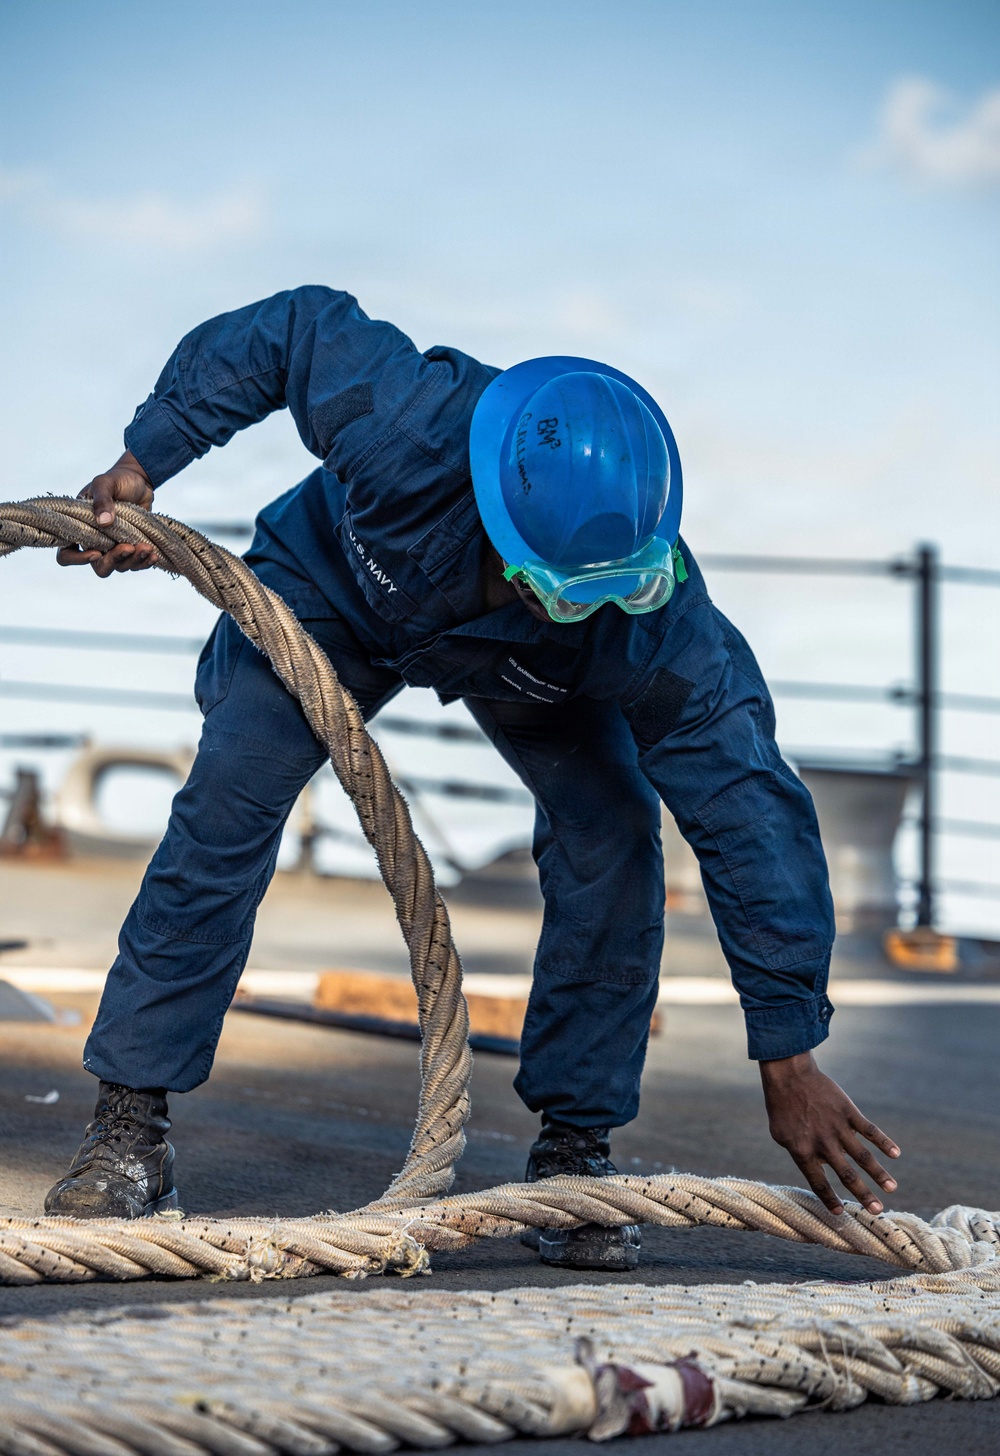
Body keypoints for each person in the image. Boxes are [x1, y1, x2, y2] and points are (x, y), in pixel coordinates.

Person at [44, 287, 900, 1268]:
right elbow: (291, 330)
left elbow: (747, 805)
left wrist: (787, 1048)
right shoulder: (407, 422)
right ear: (502, 522)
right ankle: (128, 1129)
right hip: (334, 588)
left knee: (613, 834)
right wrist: (146, 459)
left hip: (527, 667)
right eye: (566, 589)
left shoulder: (642, 616)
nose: (592, 606)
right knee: (231, 795)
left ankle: (575, 1150)